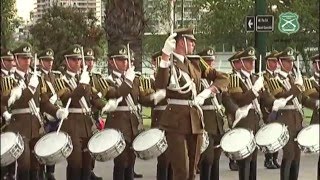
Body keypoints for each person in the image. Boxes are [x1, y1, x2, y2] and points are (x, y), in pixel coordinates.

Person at [154, 27, 229, 180]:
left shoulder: (195, 63)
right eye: (191, 41)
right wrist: (165, 56)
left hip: (195, 120)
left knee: (192, 170)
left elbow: (223, 77)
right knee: (181, 170)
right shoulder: (169, 63)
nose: (194, 45)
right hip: (175, 121)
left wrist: (208, 91)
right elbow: (160, 84)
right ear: (181, 42)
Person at [2, 42, 69, 179]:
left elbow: (44, 102)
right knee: (24, 164)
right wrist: (29, 89)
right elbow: (10, 103)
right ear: (15, 59)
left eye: (28, 58)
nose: (27, 61)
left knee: (36, 165)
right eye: (23, 58)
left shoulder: (37, 78)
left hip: (36, 127)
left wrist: (57, 111)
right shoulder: (9, 80)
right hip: (19, 127)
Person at [54, 44, 120, 180]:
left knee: (87, 164)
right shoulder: (61, 80)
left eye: (79, 60)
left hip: (87, 126)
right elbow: (70, 99)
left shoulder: (84, 79)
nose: (77, 62)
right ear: (66, 61)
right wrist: (82, 85)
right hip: (72, 126)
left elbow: (94, 98)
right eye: (73, 60)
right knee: (75, 164)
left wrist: (106, 106)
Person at [266, 47, 319, 180]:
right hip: (285, 121)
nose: (290, 64)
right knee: (288, 155)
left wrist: (316, 104)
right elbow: (281, 96)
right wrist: (297, 87)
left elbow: (303, 99)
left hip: (297, 122)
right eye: (287, 61)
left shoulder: (292, 79)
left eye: (291, 61)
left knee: (296, 157)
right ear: (280, 62)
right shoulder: (275, 80)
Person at [105, 45, 153, 180]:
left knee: (131, 162)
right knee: (121, 162)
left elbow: (141, 99)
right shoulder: (107, 81)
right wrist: (128, 81)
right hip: (118, 124)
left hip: (133, 124)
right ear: (111, 61)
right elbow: (116, 94)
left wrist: (157, 97)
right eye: (120, 60)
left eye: (126, 60)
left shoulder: (134, 79)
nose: (124, 63)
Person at [38, 48, 64, 180]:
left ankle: (50, 171)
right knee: (43, 143)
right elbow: (40, 98)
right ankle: (41, 170)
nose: (49, 63)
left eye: (51, 61)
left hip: (55, 115)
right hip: (44, 115)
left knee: (52, 143)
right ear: (40, 61)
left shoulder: (55, 76)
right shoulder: (38, 76)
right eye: (47, 61)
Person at [150, 51, 173, 180]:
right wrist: (154, 97)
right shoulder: (150, 79)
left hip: (173, 119)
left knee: (173, 158)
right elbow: (145, 99)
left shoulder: (173, 77)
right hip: (160, 118)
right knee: (164, 159)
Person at [83, 47, 104, 180]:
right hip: (84, 114)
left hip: (95, 115)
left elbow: (103, 92)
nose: (90, 63)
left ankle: (91, 169)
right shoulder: (81, 77)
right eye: (88, 60)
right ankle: (86, 171)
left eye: (92, 60)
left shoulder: (97, 78)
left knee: (93, 144)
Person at [261, 50, 281, 169]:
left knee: (276, 134)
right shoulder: (263, 76)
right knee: (269, 134)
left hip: (278, 108)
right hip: (268, 108)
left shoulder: (278, 76)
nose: (275, 64)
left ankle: (275, 158)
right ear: (267, 62)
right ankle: (268, 159)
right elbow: (266, 93)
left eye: (276, 61)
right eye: (273, 61)